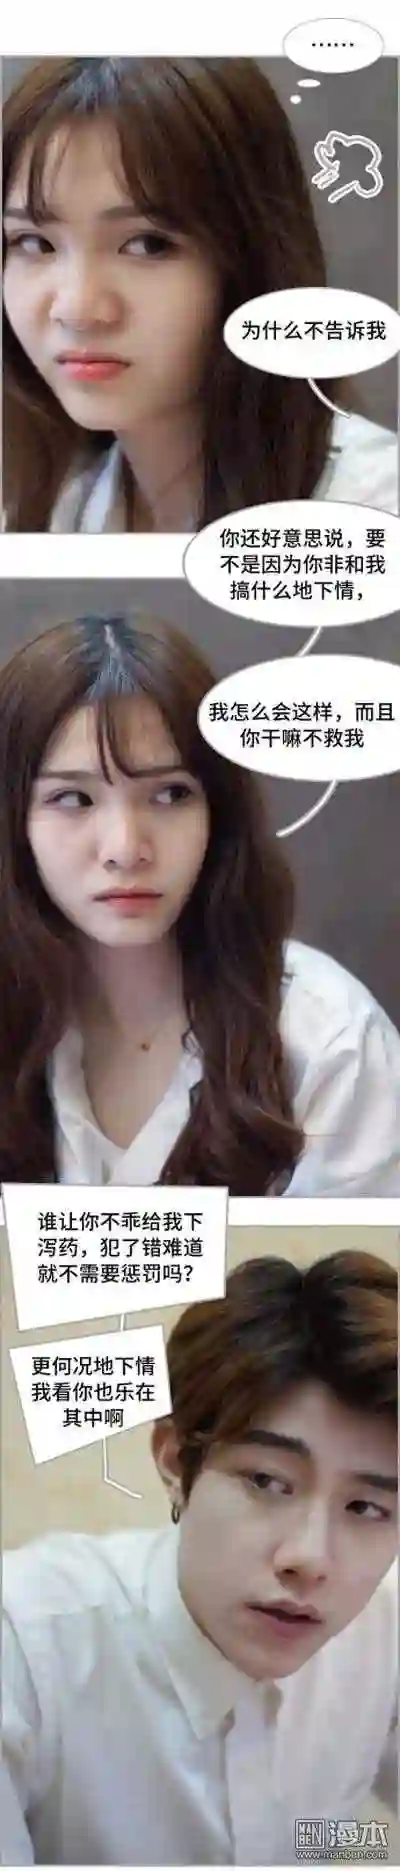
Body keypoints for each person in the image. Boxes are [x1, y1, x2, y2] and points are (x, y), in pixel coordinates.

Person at [1, 1249, 398, 1865]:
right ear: (173, 1459)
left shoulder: (383, 1635)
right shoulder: (26, 1647)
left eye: (366, 1507)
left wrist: (349, 1850)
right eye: (266, 1481)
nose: (308, 1559)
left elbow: (330, 1842)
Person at [0, 611, 399, 1194]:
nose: (125, 849)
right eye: (73, 799)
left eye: (170, 794)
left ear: (218, 812)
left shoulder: (328, 1035)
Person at [2, 57, 397, 532]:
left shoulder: (371, 512)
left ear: (252, 256)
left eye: (148, 245)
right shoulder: (56, 508)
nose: (77, 309)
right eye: (33, 243)